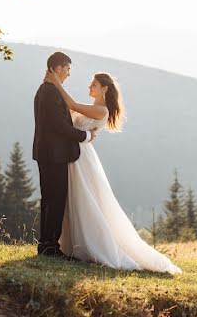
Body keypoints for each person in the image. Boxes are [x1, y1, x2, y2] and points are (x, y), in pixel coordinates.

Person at [43, 68, 181, 274]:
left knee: (86, 198)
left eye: (94, 85)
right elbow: (69, 113)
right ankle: (69, 244)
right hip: (74, 152)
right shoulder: (92, 107)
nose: (89, 87)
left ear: (104, 89)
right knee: (74, 198)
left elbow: (71, 105)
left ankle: (93, 244)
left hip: (81, 156)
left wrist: (56, 83)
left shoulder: (102, 110)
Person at [32, 51, 96, 257]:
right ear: (57, 68)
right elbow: (59, 125)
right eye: (68, 69)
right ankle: (50, 246)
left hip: (48, 153)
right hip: (53, 155)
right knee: (55, 200)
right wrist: (85, 136)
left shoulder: (46, 90)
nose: (68, 74)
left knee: (50, 200)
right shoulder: (50, 92)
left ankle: (47, 244)